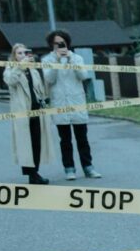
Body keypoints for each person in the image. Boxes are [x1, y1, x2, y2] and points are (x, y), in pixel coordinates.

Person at [41, 29, 101, 180]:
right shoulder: (47, 60)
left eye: (62, 42)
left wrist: (70, 61)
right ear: (51, 45)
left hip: (77, 102)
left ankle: (88, 167)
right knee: (65, 140)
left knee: (82, 138)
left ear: (67, 43)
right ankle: (69, 168)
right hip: (60, 103)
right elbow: (49, 79)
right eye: (56, 43)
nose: (59, 45)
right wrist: (56, 62)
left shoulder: (77, 58)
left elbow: (83, 75)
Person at [2, 43, 56, 184]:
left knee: (37, 143)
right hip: (22, 112)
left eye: (24, 53)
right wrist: (20, 67)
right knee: (27, 144)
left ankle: (35, 172)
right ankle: (32, 174)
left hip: (36, 110)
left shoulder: (32, 70)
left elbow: (38, 88)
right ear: (14, 56)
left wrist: (44, 100)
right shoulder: (10, 69)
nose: (22, 55)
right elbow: (10, 81)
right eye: (19, 53)